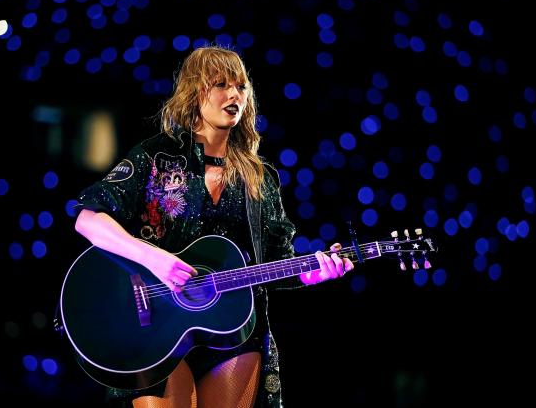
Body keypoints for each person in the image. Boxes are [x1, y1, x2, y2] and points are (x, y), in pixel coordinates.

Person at [73, 45, 354, 408]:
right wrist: (154, 259)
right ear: (195, 91)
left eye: (241, 87)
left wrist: (313, 272)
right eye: (221, 84)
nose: (234, 94)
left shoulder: (259, 177)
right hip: (157, 326)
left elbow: (276, 263)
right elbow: (88, 219)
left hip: (234, 333)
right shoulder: (156, 156)